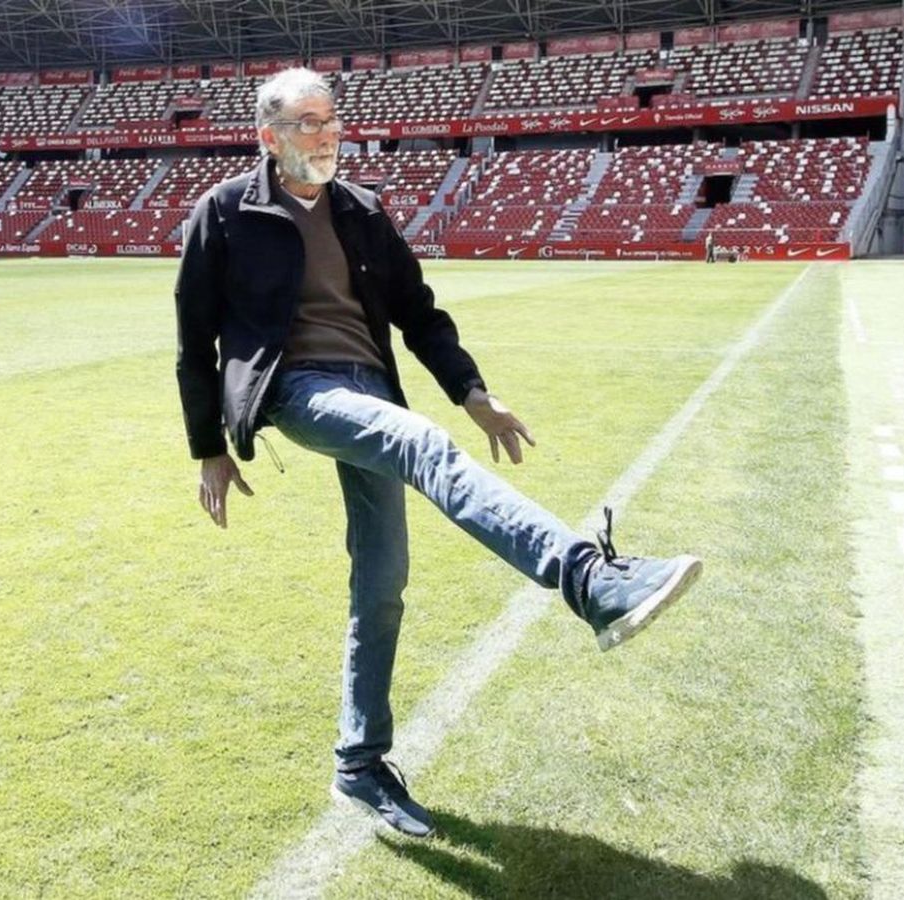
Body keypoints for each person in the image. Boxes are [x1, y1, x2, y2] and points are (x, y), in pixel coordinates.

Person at [173, 68, 703, 839]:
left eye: (332, 121)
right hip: (295, 390)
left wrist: (473, 394)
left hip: (369, 388)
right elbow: (194, 343)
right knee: (420, 443)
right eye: (308, 122)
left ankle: (358, 764)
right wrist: (208, 448)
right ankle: (590, 578)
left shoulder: (361, 210)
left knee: (382, 580)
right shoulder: (223, 212)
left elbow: (421, 314)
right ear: (269, 135)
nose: (325, 135)